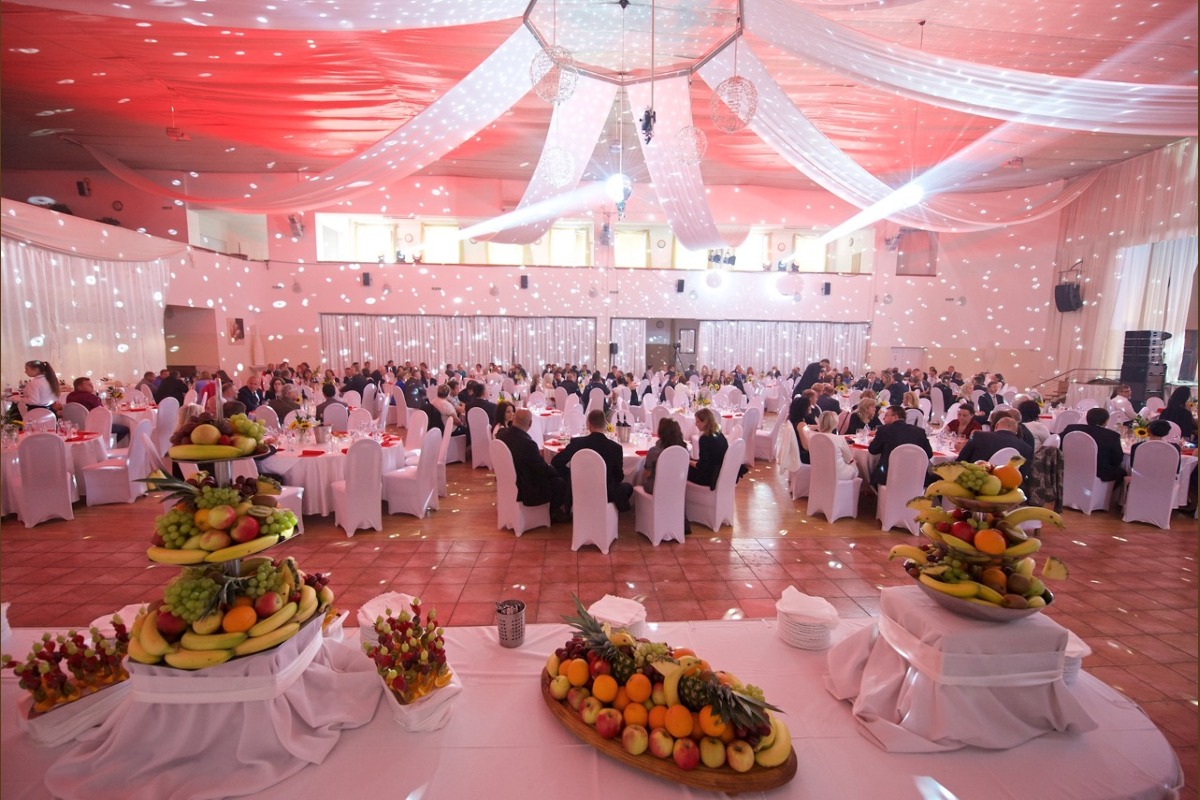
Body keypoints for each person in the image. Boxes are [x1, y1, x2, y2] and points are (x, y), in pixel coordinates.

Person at [495, 409, 570, 523]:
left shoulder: (501, 434)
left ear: (514, 419)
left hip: (508, 480)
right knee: (560, 482)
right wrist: (554, 470)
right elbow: (541, 468)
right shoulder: (527, 444)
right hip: (525, 487)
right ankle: (551, 513)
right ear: (530, 423)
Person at [551, 409, 633, 512]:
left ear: (589, 425)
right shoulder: (615, 448)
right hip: (607, 494)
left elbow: (556, 462)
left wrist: (573, 475)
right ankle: (609, 512)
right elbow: (619, 477)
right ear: (605, 425)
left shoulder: (577, 443)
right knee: (628, 487)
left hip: (580, 490)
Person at [868, 405, 932, 486]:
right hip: (916, 479)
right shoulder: (919, 432)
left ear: (895, 417)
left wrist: (872, 443)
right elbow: (929, 454)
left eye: (886, 416)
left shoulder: (883, 430)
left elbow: (873, 450)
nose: (883, 419)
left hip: (887, 477)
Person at [1062, 407, 1126, 482]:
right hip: (1098, 472)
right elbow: (1117, 459)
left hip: (1070, 467)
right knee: (1122, 472)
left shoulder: (1071, 428)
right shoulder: (1111, 436)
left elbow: (1059, 444)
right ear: (1106, 421)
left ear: (1087, 418)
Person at [957, 416, 1034, 478]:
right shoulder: (1027, 448)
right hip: (1007, 488)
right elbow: (1021, 475)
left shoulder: (979, 436)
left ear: (996, 425)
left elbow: (961, 460)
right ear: (1016, 431)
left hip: (975, 482)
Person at [642, 417, 686, 495]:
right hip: (677, 486)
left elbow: (647, 473)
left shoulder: (654, 451)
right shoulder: (684, 449)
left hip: (656, 488)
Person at [687, 407, 728, 489]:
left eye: (697, 421)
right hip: (720, 472)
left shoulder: (705, 439)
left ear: (705, 422)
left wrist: (688, 462)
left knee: (681, 468)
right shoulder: (719, 433)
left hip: (710, 477)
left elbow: (702, 466)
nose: (695, 424)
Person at [815, 411, 858, 481]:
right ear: (835, 424)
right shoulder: (839, 439)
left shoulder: (814, 438)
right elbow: (849, 459)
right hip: (838, 474)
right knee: (854, 464)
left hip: (820, 472)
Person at [788, 392, 817, 464]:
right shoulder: (801, 424)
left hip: (798, 453)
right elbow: (806, 446)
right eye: (808, 406)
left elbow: (806, 429)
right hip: (803, 456)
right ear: (803, 408)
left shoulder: (794, 420)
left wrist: (815, 427)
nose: (810, 407)